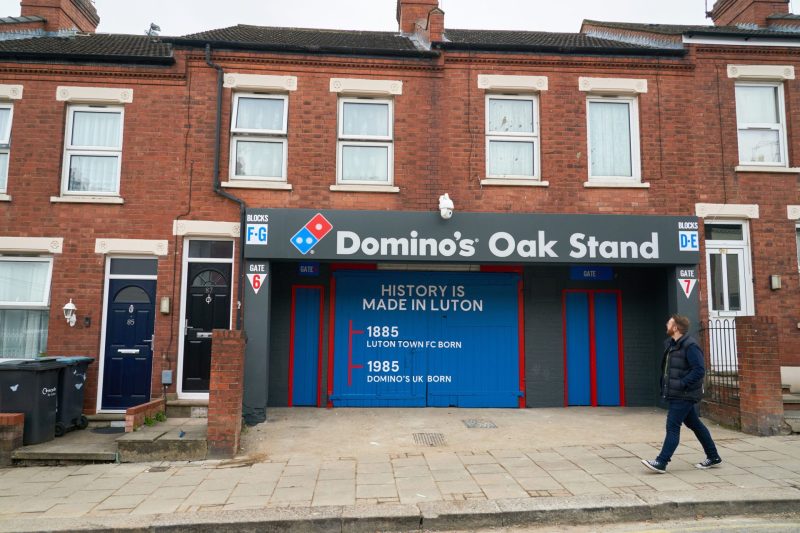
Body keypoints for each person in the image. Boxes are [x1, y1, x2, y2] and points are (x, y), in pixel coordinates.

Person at [641, 314, 722, 473]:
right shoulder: (672, 344)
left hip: (684, 394)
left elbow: (699, 370)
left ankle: (661, 462)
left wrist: (681, 384)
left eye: (669, 323)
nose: (666, 325)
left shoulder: (690, 346)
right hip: (678, 393)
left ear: (676, 328)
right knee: (695, 424)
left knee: (672, 427)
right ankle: (713, 456)